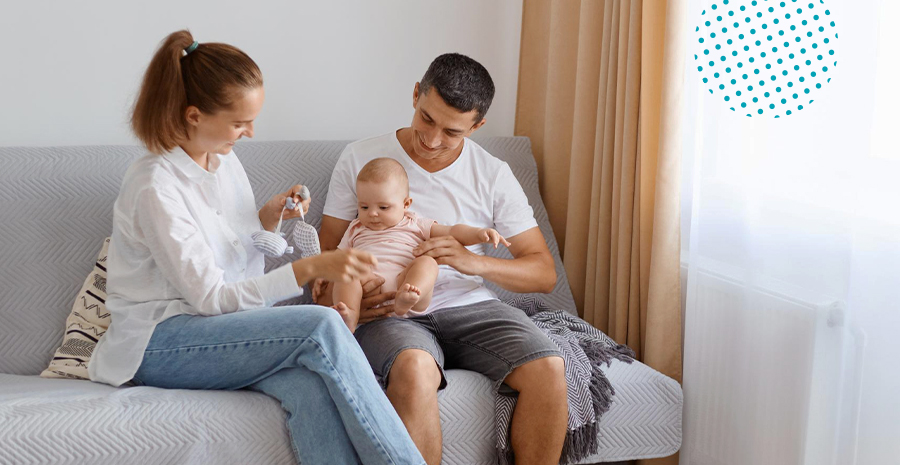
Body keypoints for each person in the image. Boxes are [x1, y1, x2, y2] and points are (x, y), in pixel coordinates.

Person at [86, 30, 425, 465]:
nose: (249, 132)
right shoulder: (155, 186)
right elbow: (210, 299)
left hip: (221, 329)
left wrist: (270, 217)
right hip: (158, 342)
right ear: (193, 115)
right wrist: (309, 268)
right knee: (321, 325)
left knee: (308, 386)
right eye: (239, 122)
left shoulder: (223, 160)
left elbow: (234, 250)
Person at [317, 53, 568, 465]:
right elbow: (327, 255)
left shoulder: (493, 173)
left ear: (477, 126)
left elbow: (542, 272)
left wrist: (475, 263)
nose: (431, 140)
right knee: (415, 370)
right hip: (391, 314)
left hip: (471, 306)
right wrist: (355, 298)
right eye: (426, 119)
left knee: (549, 368)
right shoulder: (361, 157)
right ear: (416, 94)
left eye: (452, 131)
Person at [332, 157, 510, 331]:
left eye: (383, 207)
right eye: (364, 207)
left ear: (406, 204)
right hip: (368, 287)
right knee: (346, 272)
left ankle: (409, 298)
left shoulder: (415, 223)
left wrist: (479, 233)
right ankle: (350, 315)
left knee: (427, 263)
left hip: (405, 281)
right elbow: (337, 257)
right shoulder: (355, 228)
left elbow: (452, 231)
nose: (372, 214)